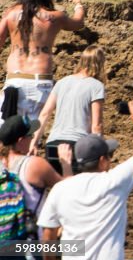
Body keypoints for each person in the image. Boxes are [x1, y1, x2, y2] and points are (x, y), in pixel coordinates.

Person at [37, 99, 133, 260]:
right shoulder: (114, 182)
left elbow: (48, 236)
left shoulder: (60, 189)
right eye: (109, 156)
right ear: (102, 161)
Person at [0, 0, 86, 120]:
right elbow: (79, 22)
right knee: (32, 136)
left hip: (15, 80)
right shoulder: (55, 17)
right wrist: (77, 2)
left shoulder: (11, 13)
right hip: (40, 82)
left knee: (6, 134)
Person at [30, 46, 106, 174]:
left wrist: (34, 142)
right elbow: (96, 125)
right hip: (78, 146)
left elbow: (44, 114)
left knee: (57, 186)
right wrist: (100, 151)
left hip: (53, 144)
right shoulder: (96, 86)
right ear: (99, 64)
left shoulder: (62, 82)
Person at [0, 115, 73, 247]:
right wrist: (66, 163)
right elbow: (67, 190)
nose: (33, 139)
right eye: (30, 136)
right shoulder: (34, 165)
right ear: (21, 140)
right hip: (28, 245)